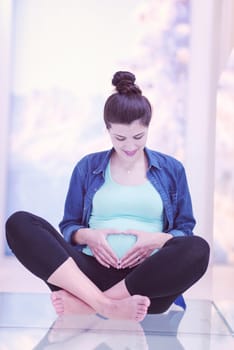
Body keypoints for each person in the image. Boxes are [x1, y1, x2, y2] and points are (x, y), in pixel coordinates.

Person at [5, 71, 210, 322]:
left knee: (198, 249)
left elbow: (184, 229)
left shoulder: (172, 169)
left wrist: (155, 240)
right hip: (87, 275)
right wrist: (89, 236)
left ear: (148, 127)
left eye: (138, 137)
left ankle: (91, 305)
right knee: (19, 223)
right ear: (108, 130)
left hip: (146, 283)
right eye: (120, 138)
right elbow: (69, 225)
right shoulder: (87, 167)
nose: (130, 146)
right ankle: (105, 305)